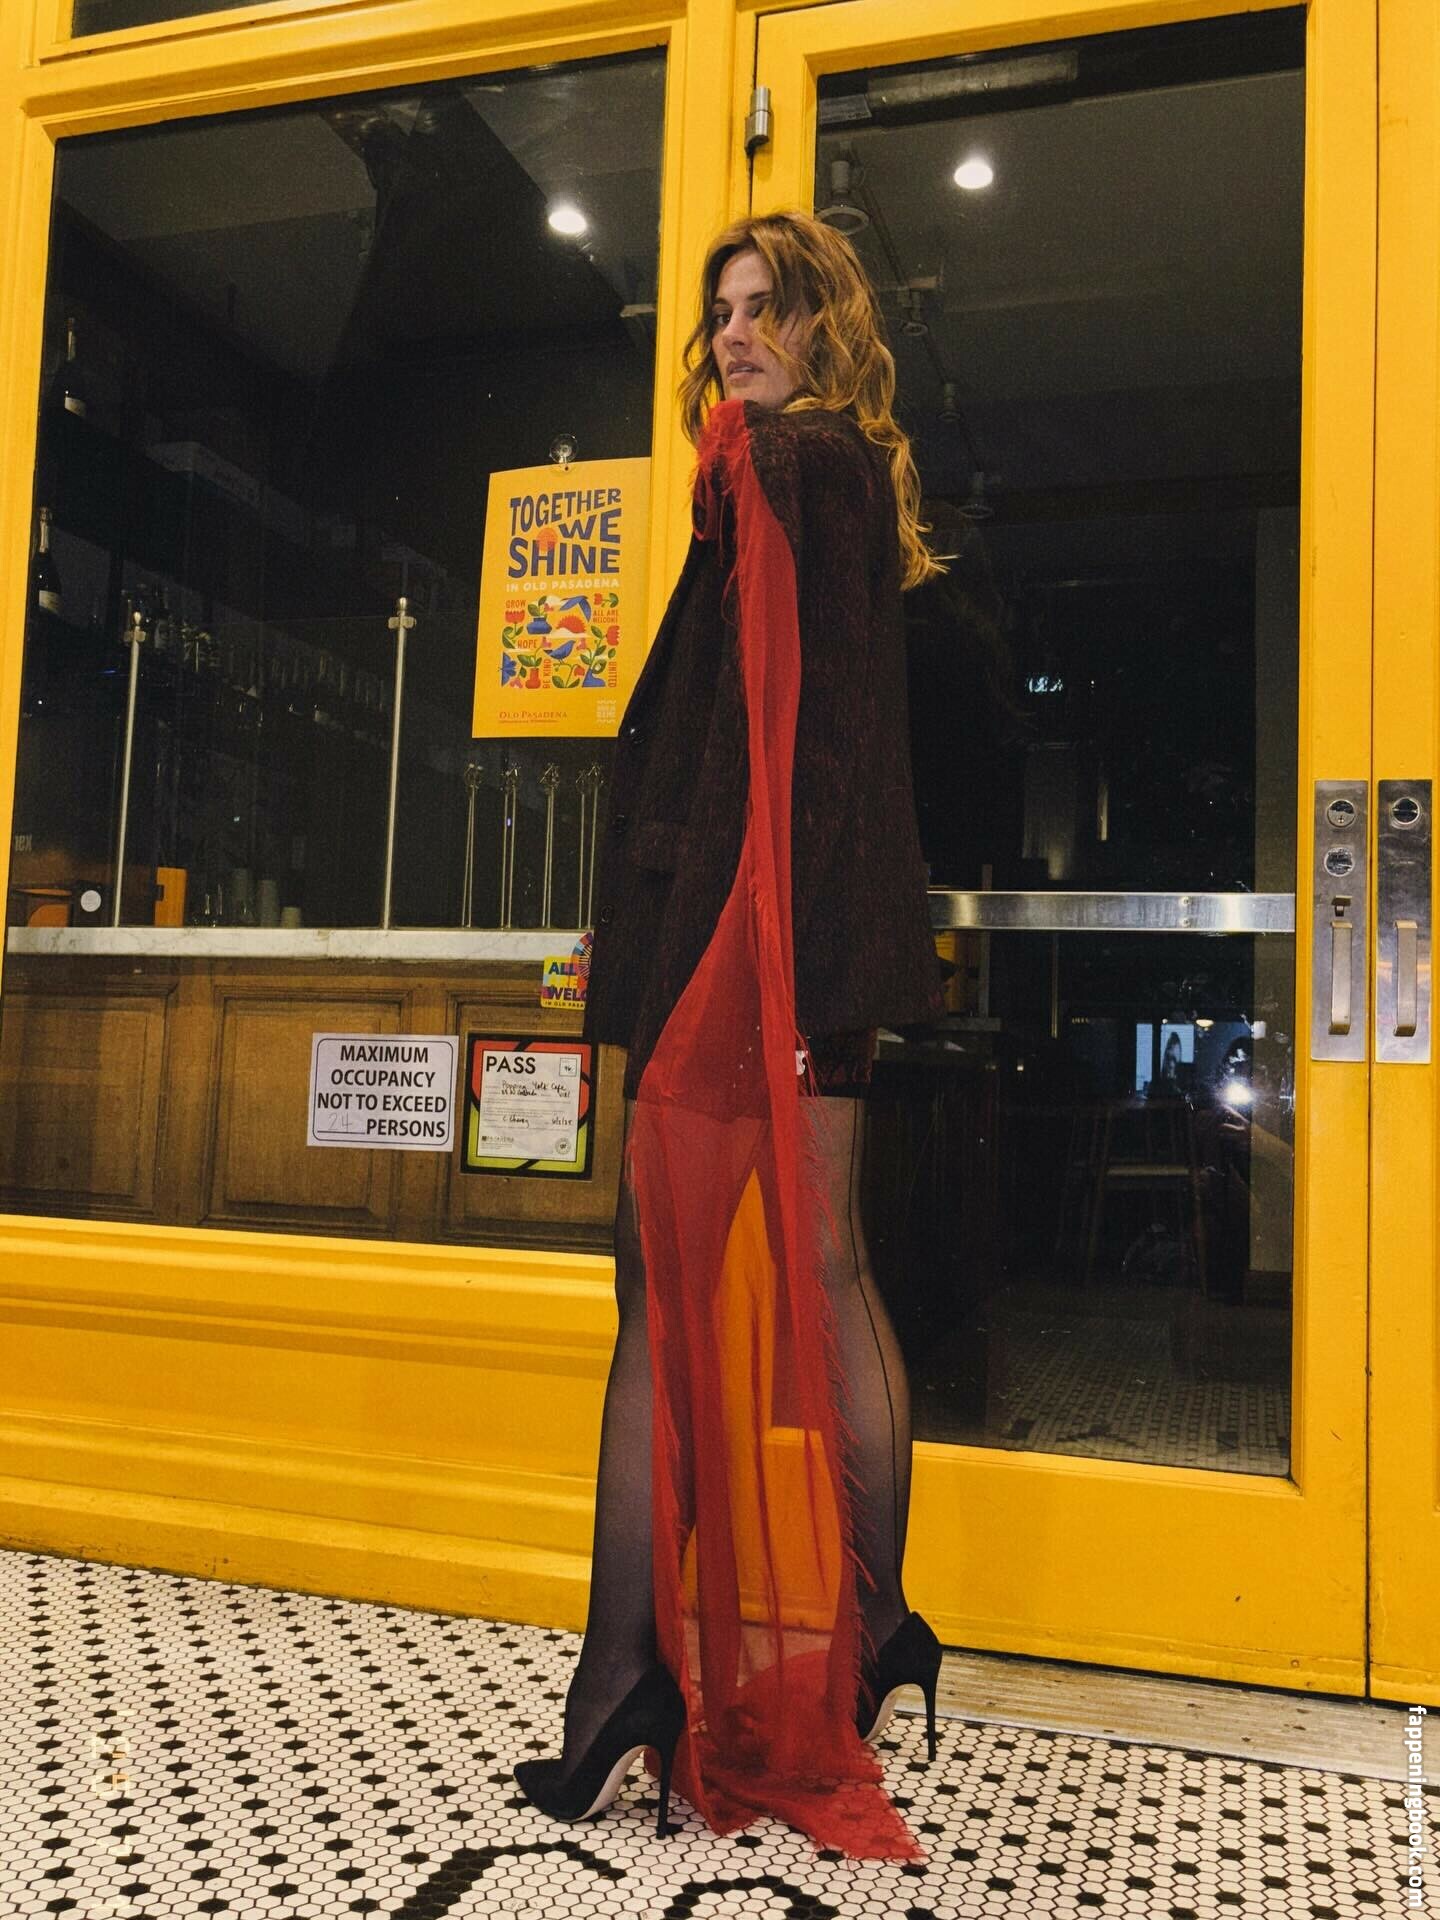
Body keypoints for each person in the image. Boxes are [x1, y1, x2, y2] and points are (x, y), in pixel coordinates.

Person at [512, 210, 948, 1860]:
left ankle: (629, 1673)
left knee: (677, 1290)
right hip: (803, 943)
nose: (738, 334)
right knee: (812, 1273)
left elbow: (783, 750)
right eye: (722, 313)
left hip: (752, 949)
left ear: (828, 325)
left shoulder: (783, 465)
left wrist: (707, 963)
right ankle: (871, 1625)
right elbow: (805, 738)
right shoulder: (820, 476)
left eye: (769, 307)